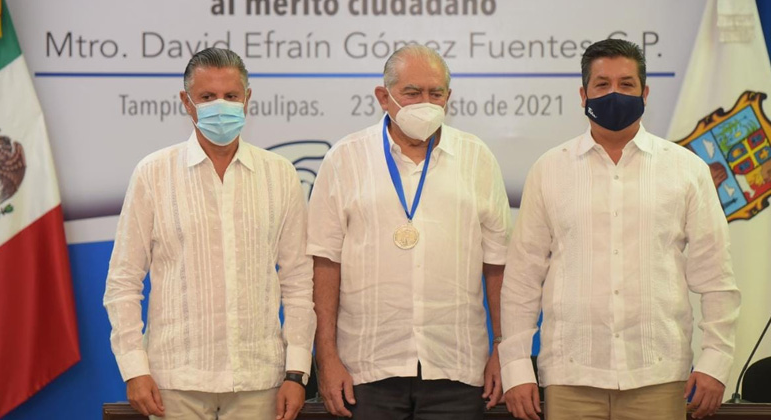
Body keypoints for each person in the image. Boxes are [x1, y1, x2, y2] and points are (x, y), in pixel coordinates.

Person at [499, 39, 741, 420]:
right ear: (583, 95)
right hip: (571, 376)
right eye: (602, 84)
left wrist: (715, 360)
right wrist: (515, 367)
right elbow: (522, 279)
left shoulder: (686, 169)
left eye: (626, 84)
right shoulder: (549, 170)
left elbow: (716, 276)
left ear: (645, 93)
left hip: (659, 376)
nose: (615, 93)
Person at [103, 47, 316, 420]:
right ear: (187, 102)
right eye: (207, 96)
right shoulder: (153, 174)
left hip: (259, 380)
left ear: (247, 99)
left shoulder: (280, 174)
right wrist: (135, 369)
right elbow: (123, 281)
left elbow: (298, 281)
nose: (221, 106)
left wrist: (296, 373)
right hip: (175, 382)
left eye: (231, 96)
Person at [307, 44, 512, 419]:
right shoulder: (345, 158)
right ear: (383, 97)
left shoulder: (477, 157)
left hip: (457, 367)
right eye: (412, 93)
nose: (425, 104)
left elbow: (497, 264)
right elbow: (325, 264)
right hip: (365, 369)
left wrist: (504, 348)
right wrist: (327, 357)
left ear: (449, 97)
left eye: (436, 94)